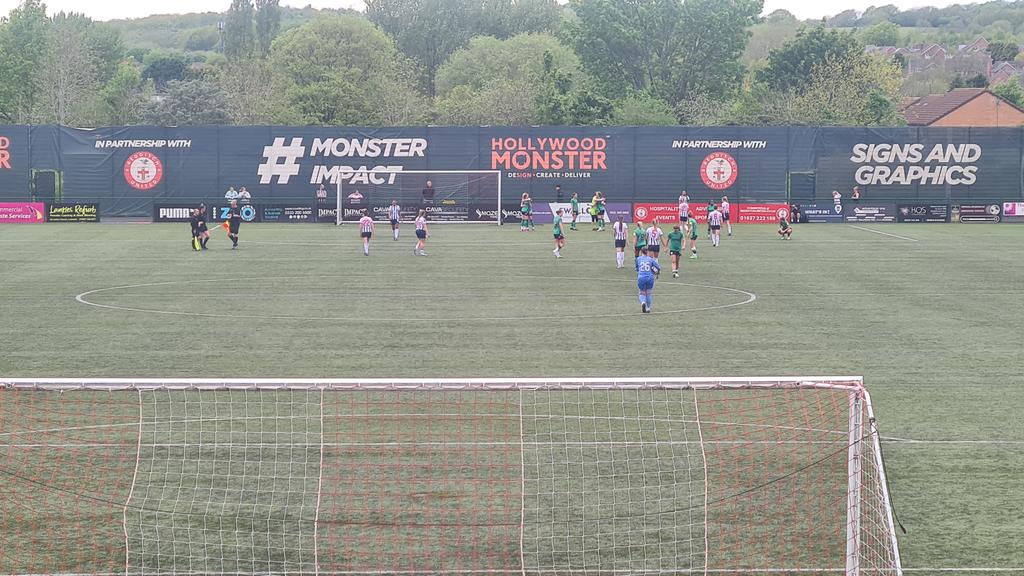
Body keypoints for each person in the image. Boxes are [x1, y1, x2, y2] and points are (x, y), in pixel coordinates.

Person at [635, 246, 661, 314]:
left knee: (642, 292)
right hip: (650, 277)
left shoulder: (638, 259)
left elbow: (637, 269)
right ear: (647, 252)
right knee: (648, 292)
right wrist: (656, 273)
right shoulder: (651, 259)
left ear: (641, 252)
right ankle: (648, 308)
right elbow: (658, 267)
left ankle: (643, 302)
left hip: (641, 277)